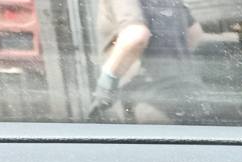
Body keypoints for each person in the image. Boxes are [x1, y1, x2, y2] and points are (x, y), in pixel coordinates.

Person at [88, 0, 230, 123]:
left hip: (151, 105)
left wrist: (105, 86)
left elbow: (136, 36)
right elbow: (194, 33)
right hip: (193, 96)